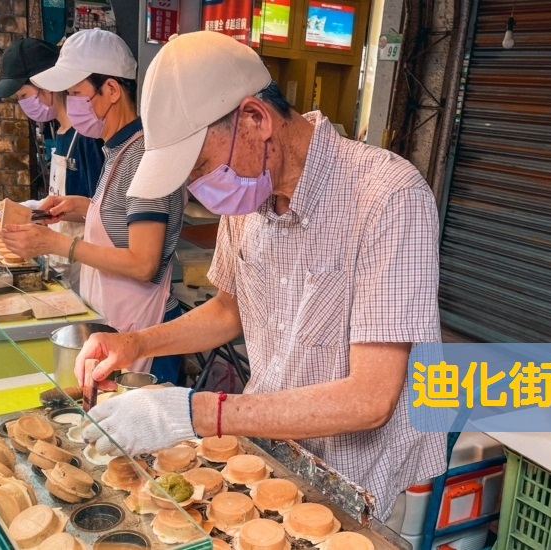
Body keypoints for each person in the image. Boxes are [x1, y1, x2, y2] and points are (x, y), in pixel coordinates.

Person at [76, 31, 447, 525]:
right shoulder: (252, 194)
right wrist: (135, 342)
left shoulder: (388, 199)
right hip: (275, 454)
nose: (202, 193)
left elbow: (370, 398)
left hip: (362, 484)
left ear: (255, 119)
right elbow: (230, 310)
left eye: (202, 168)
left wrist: (194, 411)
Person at [0, 29, 186, 383]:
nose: (69, 105)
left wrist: (58, 244)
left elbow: (143, 263)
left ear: (112, 90)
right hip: (118, 323)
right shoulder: (116, 149)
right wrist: (82, 207)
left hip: (148, 333)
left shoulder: (142, 155)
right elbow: (123, 215)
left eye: (76, 93)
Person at [0, 38, 104, 290]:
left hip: (88, 264)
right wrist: (32, 210)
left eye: (24, 95)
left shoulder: (87, 137)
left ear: (47, 84)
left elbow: (103, 212)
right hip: (63, 260)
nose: (24, 105)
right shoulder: (60, 132)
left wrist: (38, 213)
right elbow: (62, 200)